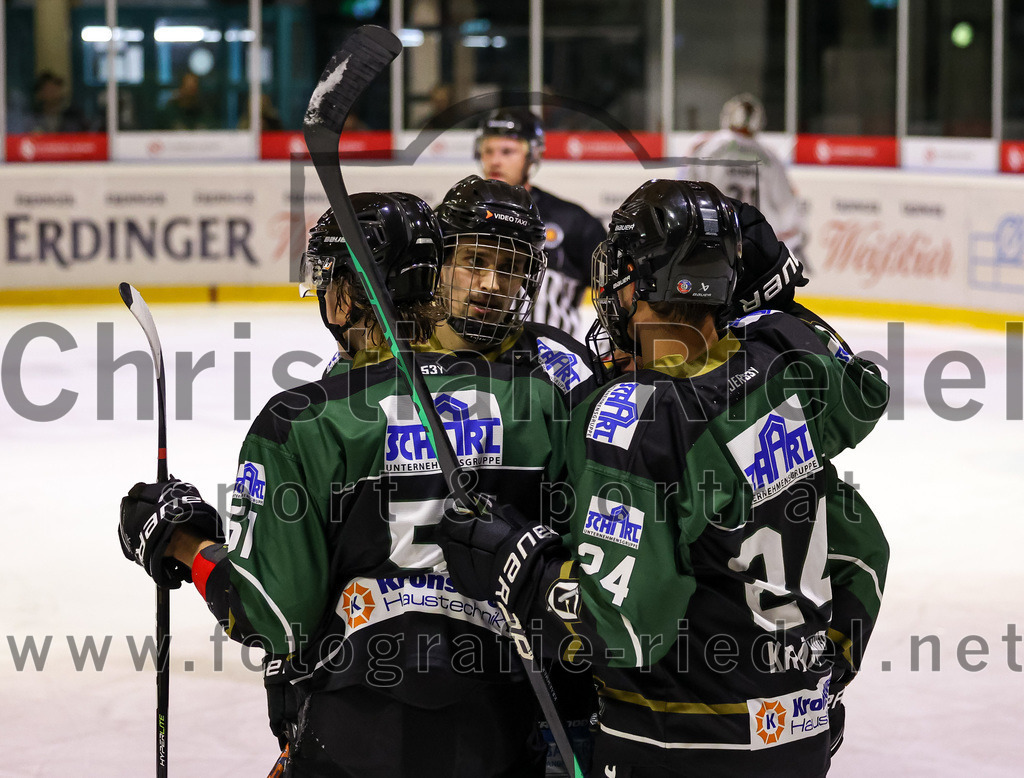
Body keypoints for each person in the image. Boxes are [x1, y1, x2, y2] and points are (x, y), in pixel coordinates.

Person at [439, 179, 890, 776]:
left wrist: (519, 566)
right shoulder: (787, 358)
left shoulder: (637, 424)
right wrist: (823, 669)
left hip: (679, 742)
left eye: (620, 278)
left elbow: (624, 627)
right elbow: (863, 548)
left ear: (641, 284)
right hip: (799, 735)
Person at [118, 192, 571, 776]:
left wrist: (182, 544)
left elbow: (277, 617)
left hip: (356, 728)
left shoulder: (302, 421)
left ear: (351, 292)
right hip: (505, 728)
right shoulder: (539, 401)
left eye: (329, 279)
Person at [431, 174, 600, 405]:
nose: (491, 285)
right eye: (475, 261)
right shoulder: (388, 351)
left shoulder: (566, 367)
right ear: (440, 263)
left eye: (509, 268)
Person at [476, 108, 606, 339]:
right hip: (478, 352)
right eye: (488, 150)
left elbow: (615, 288)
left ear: (533, 155)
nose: (495, 160)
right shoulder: (460, 215)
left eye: (507, 151)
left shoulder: (572, 220)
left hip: (555, 361)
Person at [682, 93, 807, 267]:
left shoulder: (707, 148)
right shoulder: (769, 156)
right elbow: (787, 207)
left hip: (717, 237)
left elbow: (688, 193)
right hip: (755, 240)